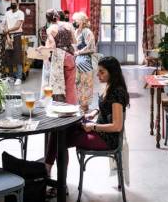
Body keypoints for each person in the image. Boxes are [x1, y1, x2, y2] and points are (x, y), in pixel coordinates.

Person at [45, 56, 128, 184]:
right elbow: (107, 108)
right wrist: (94, 112)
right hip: (100, 131)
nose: (97, 75)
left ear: (112, 73)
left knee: (59, 138)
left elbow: (117, 126)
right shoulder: (110, 86)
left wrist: (93, 126)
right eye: (98, 71)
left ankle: (55, 180)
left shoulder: (117, 92)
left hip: (107, 139)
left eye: (102, 72)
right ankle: (49, 172)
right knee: (59, 130)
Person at [39, 8, 77, 104]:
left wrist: (41, 49)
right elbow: (74, 41)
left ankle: (59, 107)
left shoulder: (50, 29)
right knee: (70, 84)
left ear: (48, 20)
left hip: (59, 57)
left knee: (57, 85)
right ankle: (71, 106)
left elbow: (52, 46)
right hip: (70, 55)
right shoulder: (68, 25)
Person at [73, 11, 97, 112]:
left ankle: (85, 107)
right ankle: (81, 106)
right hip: (78, 62)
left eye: (76, 20)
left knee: (86, 85)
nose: (74, 22)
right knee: (79, 84)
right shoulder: (76, 31)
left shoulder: (87, 31)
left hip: (86, 62)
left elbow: (91, 47)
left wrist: (78, 52)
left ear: (82, 21)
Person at [3, 0, 25, 81]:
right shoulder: (7, 13)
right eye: (11, 3)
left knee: (17, 56)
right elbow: (5, 25)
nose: (13, 4)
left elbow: (17, 26)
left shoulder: (20, 13)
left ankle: (19, 77)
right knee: (8, 56)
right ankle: (11, 76)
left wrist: (8, 31)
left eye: (14, 3)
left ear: (17, 4)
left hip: (17, 36)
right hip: (8, 36)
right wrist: (8, 37)